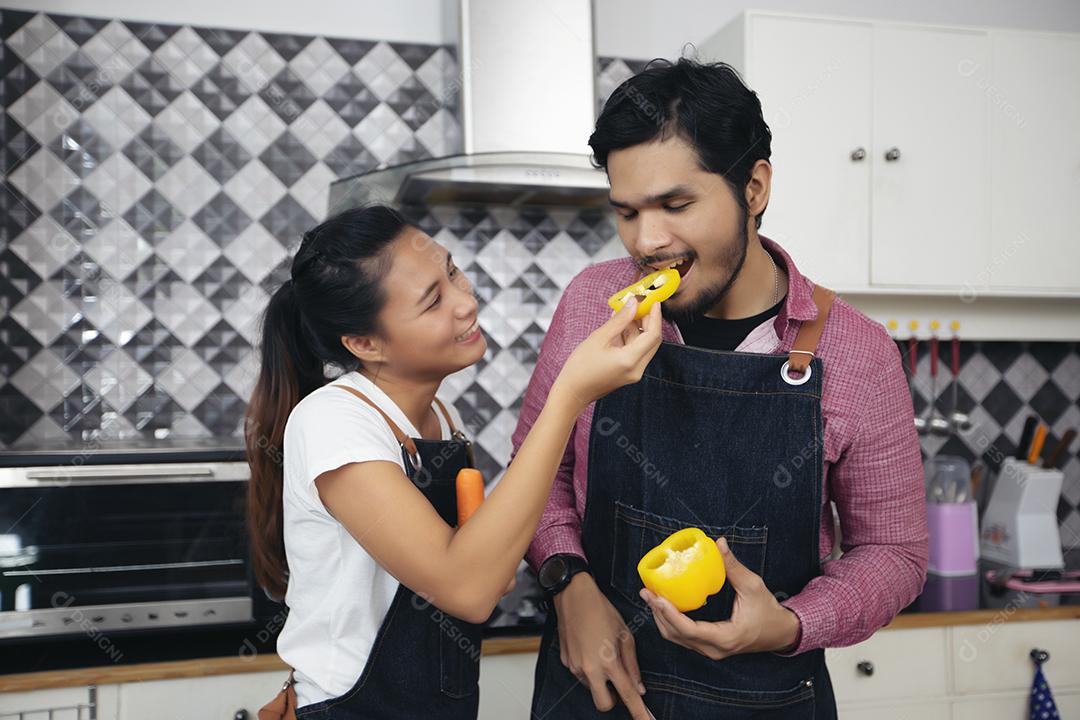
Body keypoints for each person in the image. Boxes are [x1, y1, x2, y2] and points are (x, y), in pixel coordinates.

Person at [514, 58, 928, 719]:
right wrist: (569, 584)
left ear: (754, 187)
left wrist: (790, 624)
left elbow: (896, 552)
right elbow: (538, 473)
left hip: (769, 695)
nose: (648, 240)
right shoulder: (594, 303)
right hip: (595, 688)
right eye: (626, 212)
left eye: (677, 205)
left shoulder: (858, 353)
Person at [244, 205, 662, 719]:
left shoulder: (441, 415)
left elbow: (474, 566)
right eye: (432, 301)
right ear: (364, 344)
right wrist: (569, 395)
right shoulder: (334, 422)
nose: (466, 302)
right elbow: (467, 590)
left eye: (452, 272)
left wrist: (491, 558)